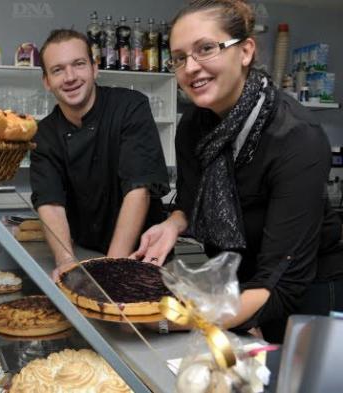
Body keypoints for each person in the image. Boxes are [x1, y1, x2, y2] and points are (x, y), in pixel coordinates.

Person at [131, 0, 343, 342]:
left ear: (245, 51)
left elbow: (283, 284)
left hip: (309, 290)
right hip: (239, 284)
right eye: (180, 57)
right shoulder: (193, 125)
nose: (191, 67)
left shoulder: (296, 138)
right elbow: (189, 199)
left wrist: (170, 319)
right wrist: (172, 224)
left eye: (205, 49)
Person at [30, 29, 170, 275]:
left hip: (145, 256)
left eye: (79, 64)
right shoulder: (44, 134)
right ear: (46, 81)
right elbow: (50, 203)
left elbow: (138, 190)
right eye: (58, 70)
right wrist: (65, 262)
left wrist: (111, 269)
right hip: (86, 254)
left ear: (95, 68)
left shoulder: (130, 107)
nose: (70, 77)